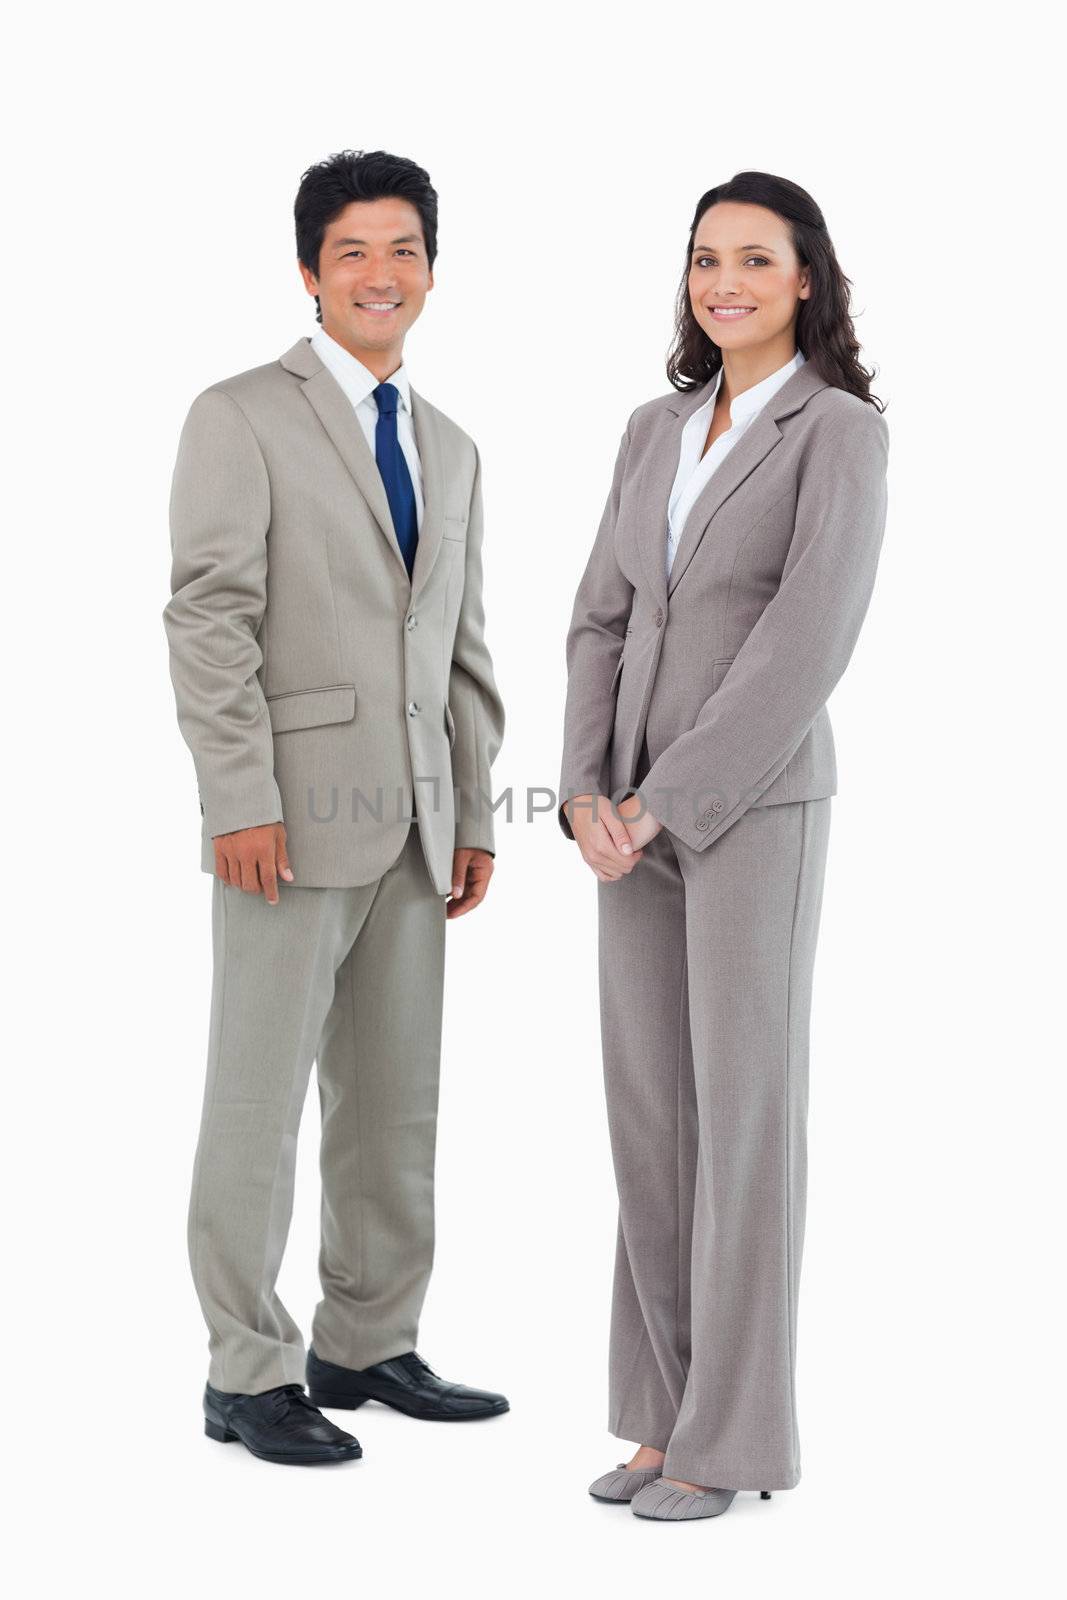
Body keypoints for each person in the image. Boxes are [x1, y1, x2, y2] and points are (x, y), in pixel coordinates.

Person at [163, 148, 507, 1467]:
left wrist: (473, 810)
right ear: (310, 273)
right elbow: (209, 617)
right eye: (354, 250)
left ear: (431, 268)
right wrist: (236, 795)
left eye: (405, 248)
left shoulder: (453, 443)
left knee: (392, 1100)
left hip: (414, 823)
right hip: (286, 821)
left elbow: (460, 645)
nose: (382, 272)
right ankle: (246, 1369)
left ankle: (365, 1340)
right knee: (256, 1095)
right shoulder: (241, 413)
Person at [558, 171, 890, 1522]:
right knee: (651, 1117)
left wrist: (668, 796)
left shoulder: (840, 432)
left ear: (807, 277)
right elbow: (599, 615)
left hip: (753, 815)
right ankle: (659, 1416)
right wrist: (587, 788)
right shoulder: (654, 428)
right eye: (706, 259)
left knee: (743, 1119)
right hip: (622, 823)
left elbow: (807, 641)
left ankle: (733, 1437)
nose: (726, 282)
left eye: (756, 259)